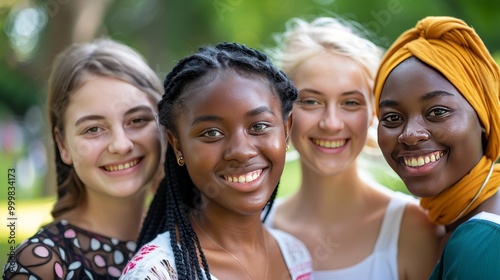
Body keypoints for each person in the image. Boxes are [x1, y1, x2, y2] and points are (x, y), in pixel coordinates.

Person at [263, 17, 443, 279]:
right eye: (312, 101)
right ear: (284, 111)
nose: (331, 124)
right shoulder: (256, 227)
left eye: (350, 103)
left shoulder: (415, 228)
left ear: (374, 113)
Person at [120, 42, 312, 280]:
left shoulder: (295, 256)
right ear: (177, 144)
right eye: (211, 133)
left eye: (259, 126)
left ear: (286, 129)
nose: (241, 151)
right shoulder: (157, 273)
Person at [3, 38, 164, 279]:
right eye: (93, 129)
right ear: (63, 145)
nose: (121, 145)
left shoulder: (194, 239)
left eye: (137, 120)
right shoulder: (40, 264)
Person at [374, 16, 500, 279]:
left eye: (438, 111)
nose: (410, 135)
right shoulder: (448, 227)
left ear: (484, 119)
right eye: (392, 118)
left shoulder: (481, 242)